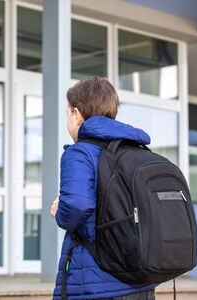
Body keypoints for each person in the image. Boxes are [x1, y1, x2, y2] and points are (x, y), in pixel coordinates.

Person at [50, 76, 157, 299]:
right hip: (141, 281)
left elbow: (78, 205)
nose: (68, 118)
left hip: (95, 284)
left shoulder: (80, 152)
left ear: (77, 115)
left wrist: (60, 212)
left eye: (68, 112)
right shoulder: (136, 152)